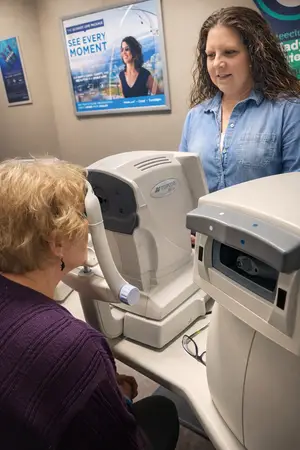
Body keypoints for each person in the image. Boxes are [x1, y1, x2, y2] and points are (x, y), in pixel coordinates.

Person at [0, 158, 179, 450]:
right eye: (83, 215)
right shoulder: (72, 345)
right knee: (161, 409)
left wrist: (97, 389)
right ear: (56, 242)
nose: (88, 224)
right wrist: (115, 397)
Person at [179, 6, 300, 195]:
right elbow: (184, 184)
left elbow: (296, 189)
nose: (217, 63)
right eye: (211, 55)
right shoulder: (195, 117)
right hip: (204, 224)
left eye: (229, 52)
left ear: (255, 55)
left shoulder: (289, 110)